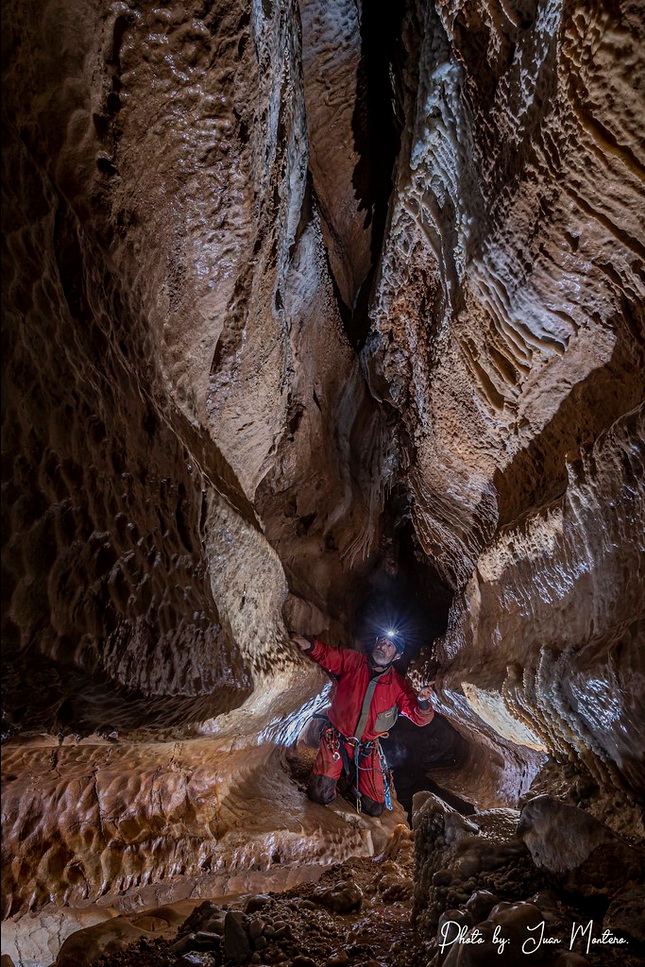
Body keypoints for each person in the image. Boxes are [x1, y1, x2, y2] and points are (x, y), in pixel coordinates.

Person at [291, 630, 436, 816]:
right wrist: (309, 645)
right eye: (381, 641)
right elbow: (328, 655)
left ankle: (351, 779)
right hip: (337, 738)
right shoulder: (354, 660)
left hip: (366, 748)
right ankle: (335, 774)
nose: (383, 646)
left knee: (374, 808)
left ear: (396, 656)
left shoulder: (398, 685)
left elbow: (420, 718)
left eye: (389, 645)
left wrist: (422, 701)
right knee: (319, 794)